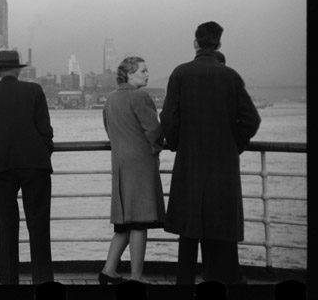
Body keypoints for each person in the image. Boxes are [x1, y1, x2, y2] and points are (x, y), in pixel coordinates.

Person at [160, 21, 261, 284]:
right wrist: (233, 146)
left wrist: (177, 143)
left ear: (196, 43)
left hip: (190, 163)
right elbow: (251, 120)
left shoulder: (180, 74)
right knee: (220, 227)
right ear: (218, 44)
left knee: (188, 229)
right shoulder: (230, 76)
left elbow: (169, 118)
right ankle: (222, 281)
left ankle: (185, 285)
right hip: (222, 166)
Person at [0, 50, 55, 285]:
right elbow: (45, 131)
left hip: (0, 166)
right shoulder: (34, 91)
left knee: (6, 225)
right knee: (39, 223)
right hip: (35, 164)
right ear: (19, 70)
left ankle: (8, 282)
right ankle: (43, 280)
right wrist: (42, 152)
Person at [99, 56, 165, 284]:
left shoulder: (110, 99)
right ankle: (136, 276)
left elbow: (108, 128)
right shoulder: (140, 97)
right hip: (140, 163)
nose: (147, 74)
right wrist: (156, 149)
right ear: (129, 74)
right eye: (143, 70)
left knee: (125, 221)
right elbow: (154, 131)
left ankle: (108, 270)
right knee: (139, 220)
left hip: (120, 162)